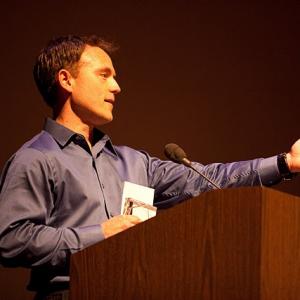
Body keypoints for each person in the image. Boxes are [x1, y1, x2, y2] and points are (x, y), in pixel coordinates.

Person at [0, 35, 299, 299]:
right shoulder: (35, 159)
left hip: (139, 290)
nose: (116, 87)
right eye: (104, 75)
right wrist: (99, 234)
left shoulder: (134, 163)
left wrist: (285, 162)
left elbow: (206, 181)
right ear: (66, 80)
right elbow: (12, 240)